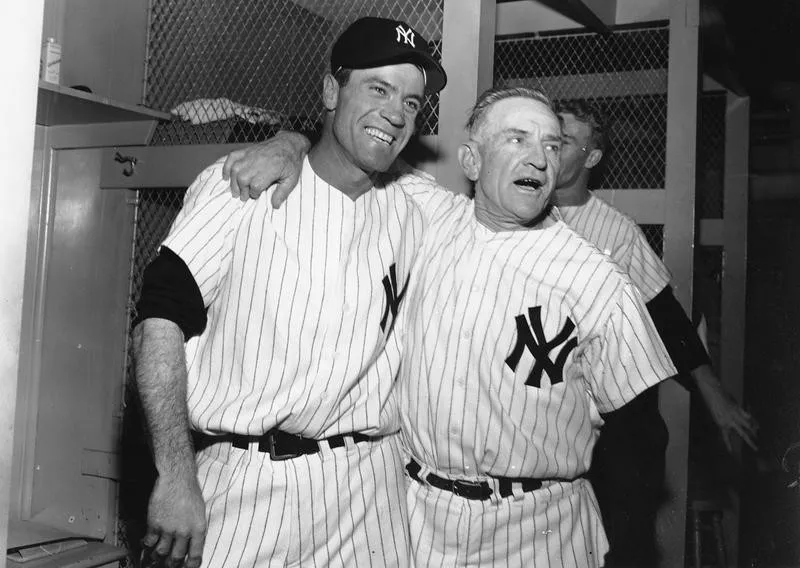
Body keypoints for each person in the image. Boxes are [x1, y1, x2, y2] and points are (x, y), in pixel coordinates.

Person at [222, 86, 678, 566]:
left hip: (538, 529)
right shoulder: (428, 217)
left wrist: (631, 546)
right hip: (416, 521)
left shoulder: (597, 279)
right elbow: (351, 149)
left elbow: (641, 438)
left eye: (550, 144)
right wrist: (290, 141)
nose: (539, 159)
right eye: (517, 140)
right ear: (472, 162)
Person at [131, 16, 447, 568]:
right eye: (378, 88)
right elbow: (158, 322)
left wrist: (294, 137)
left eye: (413, 102)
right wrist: (175, 474)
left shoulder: (420, 207)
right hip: (250, 479)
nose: (397, 114)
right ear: (331, 90)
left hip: (369, 491)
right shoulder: (242, 186)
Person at [553, 99, 758, 566]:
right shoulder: (522, 212)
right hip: (546, 411)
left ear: (591, 157)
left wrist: (711, 392)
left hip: (614, 420)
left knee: (622, 544)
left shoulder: (616, 231)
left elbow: (664, 315)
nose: (549, 149)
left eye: (563, 141)